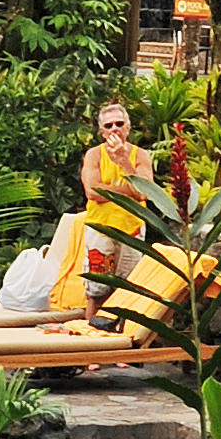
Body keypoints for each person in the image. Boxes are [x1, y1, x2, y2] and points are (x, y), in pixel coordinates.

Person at [79, 101, 149, 324]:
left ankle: (122, 352)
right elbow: (92, 191)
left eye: (119, 124)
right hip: (101, 229)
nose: (114, 129)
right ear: (102, 131)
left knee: (129, 289)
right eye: (109, 126)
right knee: (96, 291)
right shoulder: (94, 155)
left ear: (128, 128)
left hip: (131, 230)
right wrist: (127, 190)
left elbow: (144, 193)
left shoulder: (140, 156)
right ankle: (92, 350)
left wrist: (124, 162)